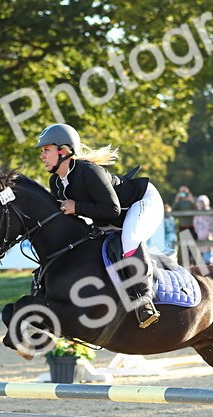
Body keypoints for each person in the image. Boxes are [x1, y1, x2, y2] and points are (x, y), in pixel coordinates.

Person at [36, 123, 163, 329]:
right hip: (110, 217)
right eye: (42, 151)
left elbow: (112, 209)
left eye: (46, 150)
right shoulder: (56, 183)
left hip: (141, 202)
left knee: (129, 239)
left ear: (64, 151)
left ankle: (144, 300)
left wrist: (77, 206)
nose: (42, 156)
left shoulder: (89, 172)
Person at [191, 195, 213, 265]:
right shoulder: (198, 213)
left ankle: (209, 262)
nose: (201, 204)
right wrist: (197, 231)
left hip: (208, 233)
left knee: (209, 248)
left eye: (203, 202)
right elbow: (195, 223)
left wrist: (210, 232)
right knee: (201, 248)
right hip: (200, 233)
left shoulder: (209, 212)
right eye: (200, 202)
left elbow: (211, 223)